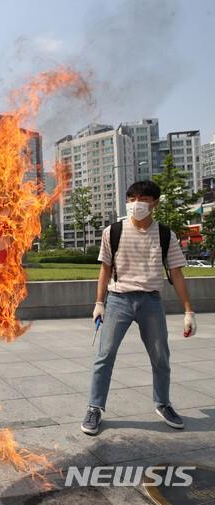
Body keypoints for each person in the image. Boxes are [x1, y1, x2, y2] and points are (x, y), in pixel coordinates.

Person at [81, 180, 197, 436]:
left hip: (151, 302)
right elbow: (105, 270)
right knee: (105, 356)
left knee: (160, 357)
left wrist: (189, 311)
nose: (136, 204)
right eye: (132, 198)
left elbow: (176, 274)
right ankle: (94, 407)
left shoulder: (166, 235)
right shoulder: (113, 232)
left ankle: (163, 403)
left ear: (155, 202)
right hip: (118, 300)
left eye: (143, 199)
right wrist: (99, 304)